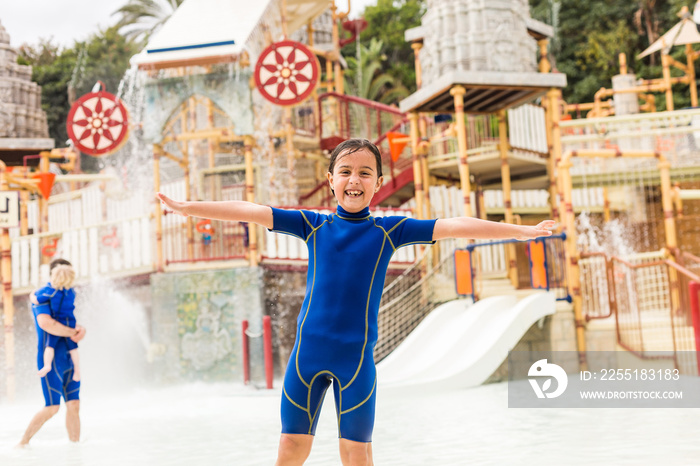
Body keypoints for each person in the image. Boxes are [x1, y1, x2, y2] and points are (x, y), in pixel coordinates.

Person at [157, 138, 554, 466]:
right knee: (291, 449)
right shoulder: (313, 225)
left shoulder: (390, 230)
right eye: (346, 171)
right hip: (306, 358)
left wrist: (518, 231)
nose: (354, 179)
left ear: (378, 183)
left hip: (355, 363)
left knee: (357, 455)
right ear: (331, 180)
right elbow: (252, 211)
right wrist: (189, 208)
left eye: (365, 173)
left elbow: (453, 226)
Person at [17, 258, 86, 447]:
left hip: (68, 357)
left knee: (74, 404)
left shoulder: (67, 292)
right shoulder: (46, 295)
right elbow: (46, 324)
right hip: (51, 356)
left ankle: (75, 448)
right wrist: (74, 332)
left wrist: (80, 329)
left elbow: (67, 320)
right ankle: (23, 442)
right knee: (52, 407)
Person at [36, 261, 81, 382]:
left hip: (58, 322)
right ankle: (77, 371)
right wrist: (74, 332)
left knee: (50, 346)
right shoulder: (71, 292)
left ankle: (47, 365)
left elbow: (37, 299)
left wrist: (32, 295)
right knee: (73, 349)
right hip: (70, 322)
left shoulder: (52, 292)